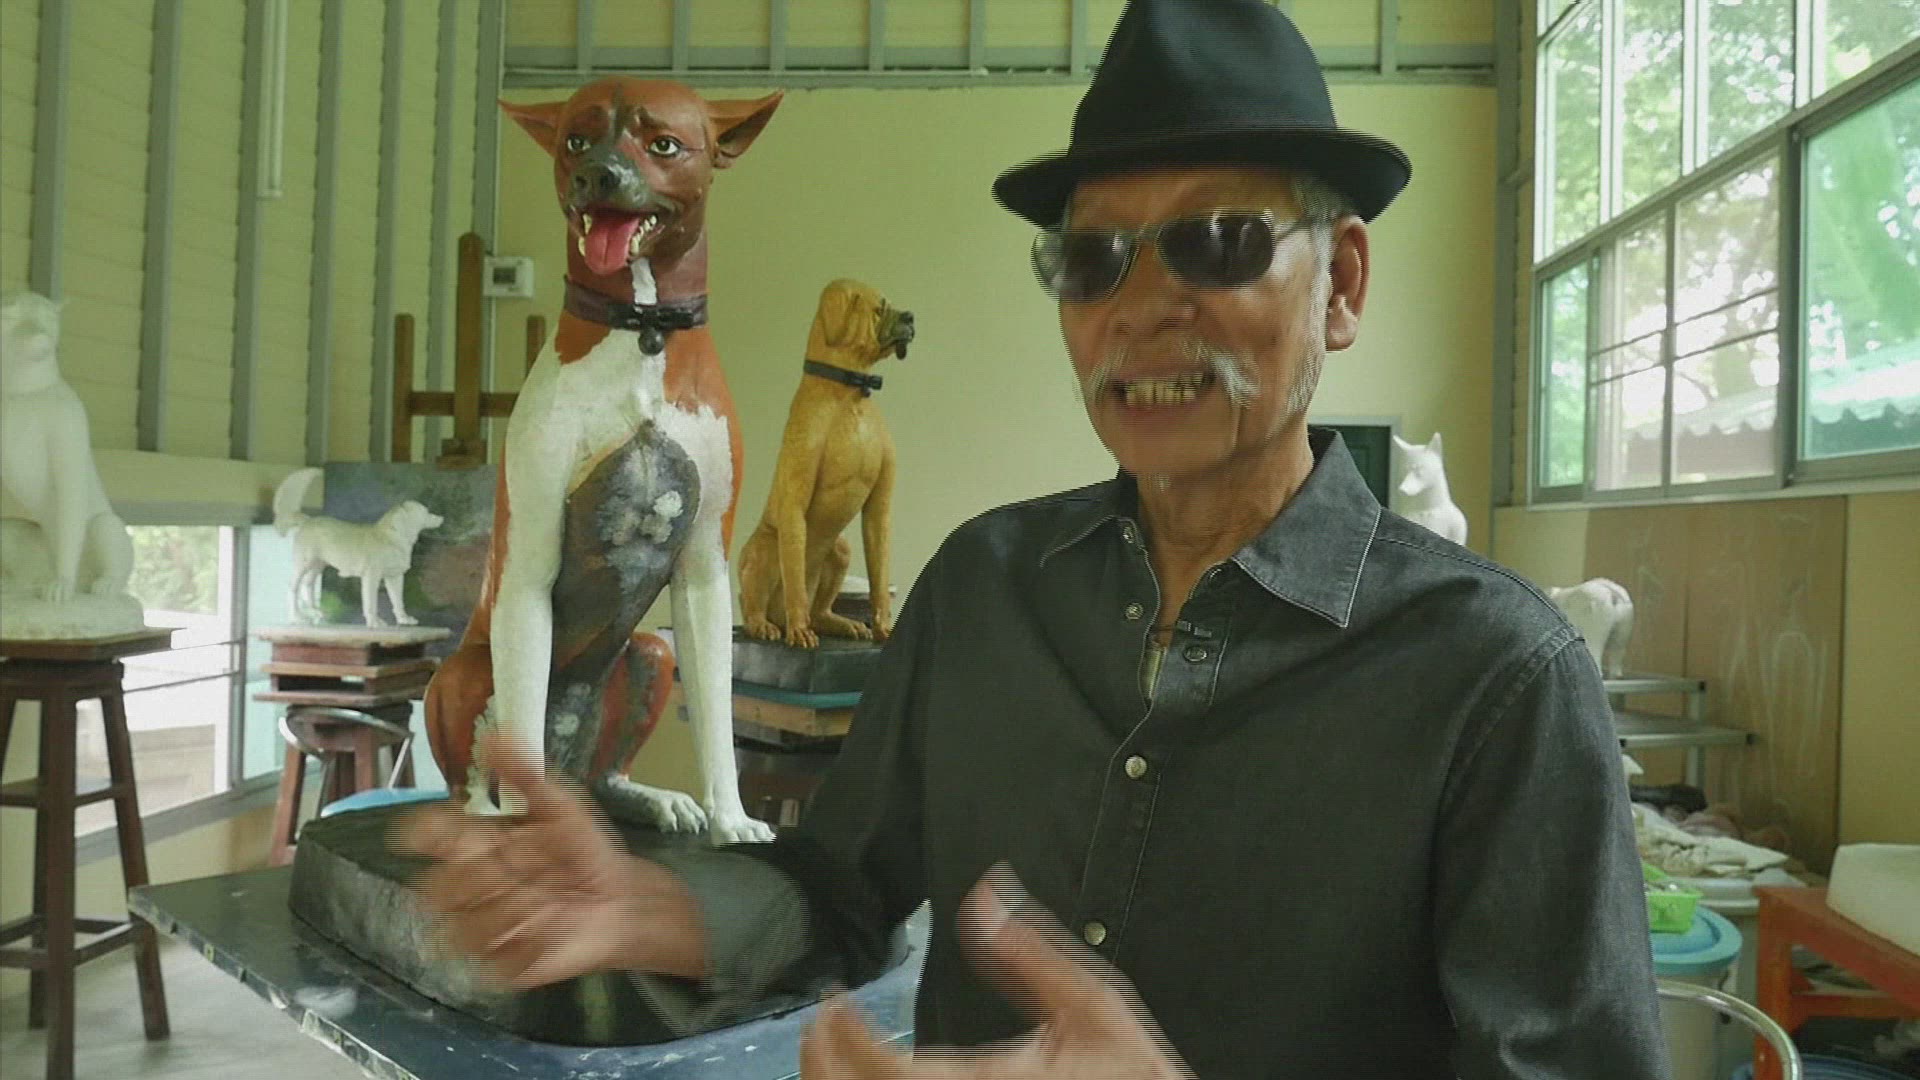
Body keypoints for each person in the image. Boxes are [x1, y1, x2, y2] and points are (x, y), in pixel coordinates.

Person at [398, 1, 1671, 1076]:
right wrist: (662, 908)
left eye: (1219, 243)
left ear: (1340, 284)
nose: (1143, 307)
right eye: (1093, 258)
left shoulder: (1496, 682)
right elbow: (838, 890)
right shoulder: (984, 590)